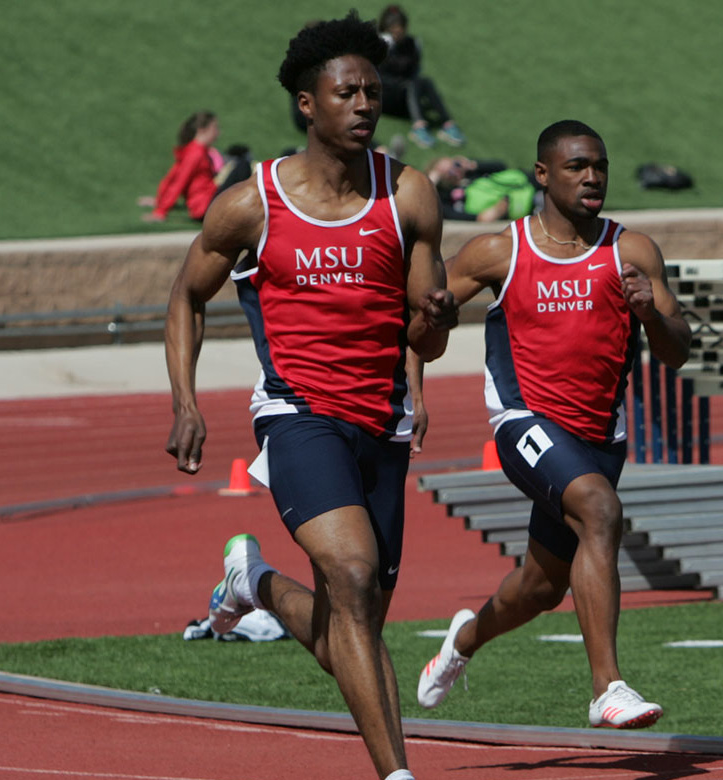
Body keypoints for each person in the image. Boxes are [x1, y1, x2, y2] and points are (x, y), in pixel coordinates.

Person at [163, 14, 457, 780]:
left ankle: (250, 581)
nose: (366, 104)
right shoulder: (251, 204)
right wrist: (185, 401)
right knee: (353, 578)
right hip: (298, 414)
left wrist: (434, 327)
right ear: (307, 103)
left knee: (347, 630)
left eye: (373, 91)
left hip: (381, 424)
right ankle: (397, 774)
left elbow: (426, 341)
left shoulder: (411, 196)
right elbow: (187, 296)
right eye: (347, 92)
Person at [414, 120, 691, 729]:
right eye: (576, 167)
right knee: (599, 509)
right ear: (542, 174)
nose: (592, 177)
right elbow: (420, 322)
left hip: (599, 436)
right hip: (525, 421)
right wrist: (417, 376)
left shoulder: (632, 250)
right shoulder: (500, 251)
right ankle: (607, 687)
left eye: (600, 166)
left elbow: (678, 351)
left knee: (540, 588)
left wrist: (650, 314)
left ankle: (462, 642)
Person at [375, 5, 467, 149]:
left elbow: (415, 71)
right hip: (385, 96)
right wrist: (386, 48)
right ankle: (418, 127)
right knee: (412, 83)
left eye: (400, 31)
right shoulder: (379, 45)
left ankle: (448, 123)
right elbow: (376, 75)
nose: (398, 35)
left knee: (425, 81)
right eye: (394, 31)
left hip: (405, 94)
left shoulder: (412, 44)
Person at [144, 111, 224, 222]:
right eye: (215, 128)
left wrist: (160, 200)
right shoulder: (196, 153)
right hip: (205, 206)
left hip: (206, 202)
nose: (218, 133)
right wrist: (161, 211)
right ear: (202, 130)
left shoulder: (195, 150)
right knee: (241, 166)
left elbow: (172, 177)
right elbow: (178, 182)